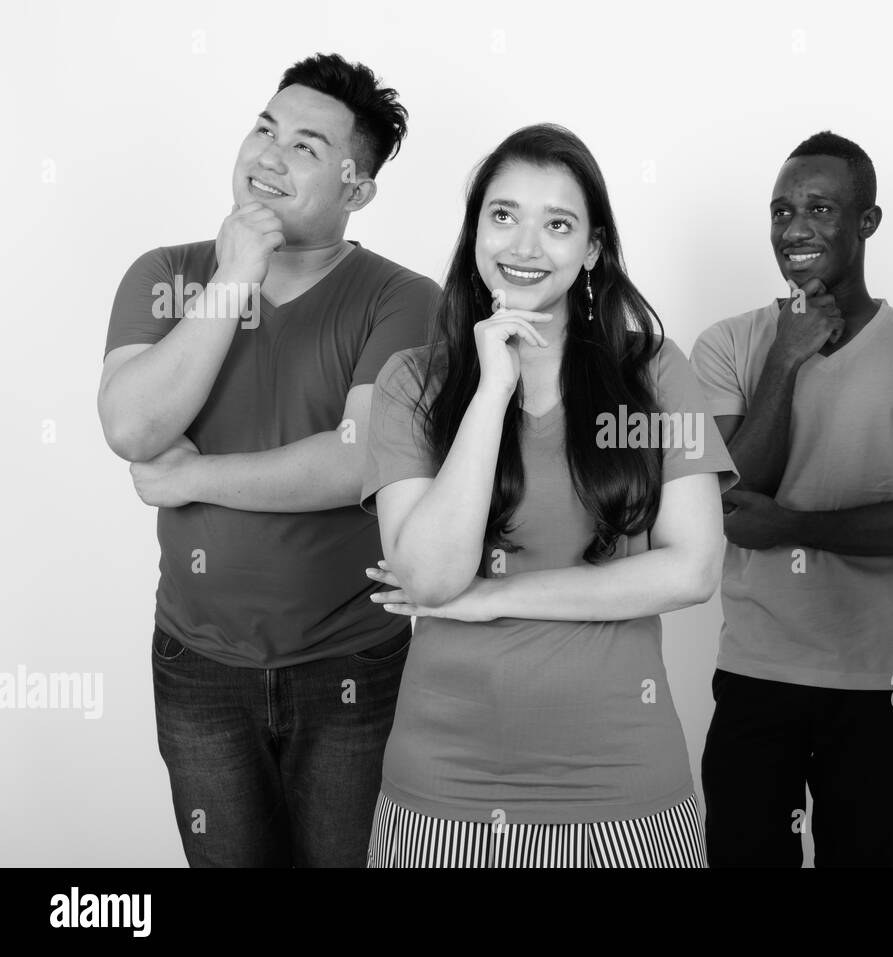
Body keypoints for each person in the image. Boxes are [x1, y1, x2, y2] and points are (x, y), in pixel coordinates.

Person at [360, 123, 737, 868]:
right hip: (445, 787)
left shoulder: (655, 374)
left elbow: (693, 569)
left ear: (593, 248)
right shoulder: (411, 381)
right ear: (475, 230)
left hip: (625, 790)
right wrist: (492, 388)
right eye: (503, 216)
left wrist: (494, 597)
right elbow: (431, 577)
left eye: (557, 224)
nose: (525, 246)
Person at [98, 53, 437, 866]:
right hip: (197, 662)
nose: (269, 156)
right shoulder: (167, 274)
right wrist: (236, 275)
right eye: (264, 129)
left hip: (352, 663)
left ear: (358, 189)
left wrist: (191, 478)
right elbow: (132, 427)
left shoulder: (404, 298)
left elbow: (357, 461)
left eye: (307, 147)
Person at [690, 131, 893, 867]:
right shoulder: (728, 343)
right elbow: (731, 500)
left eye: (819, 208)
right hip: (754, 673)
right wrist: (786, 355)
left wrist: (797, 525)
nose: (794, 229)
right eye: (781, 211)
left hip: (878, 682)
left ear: (867, 221)